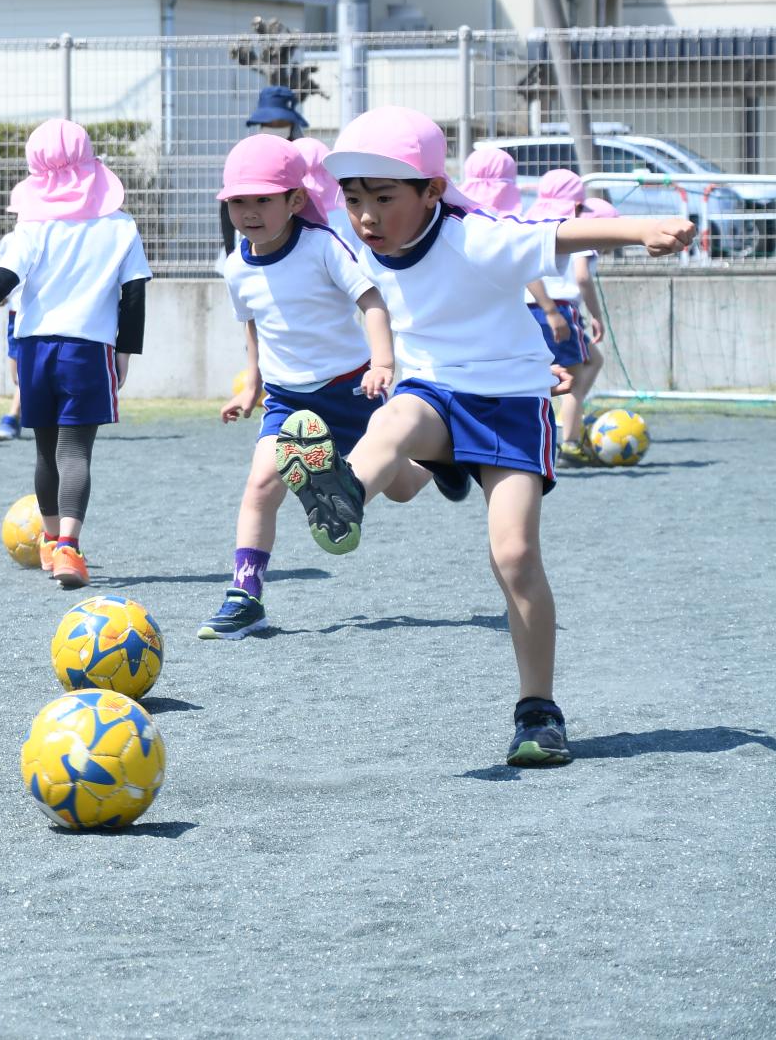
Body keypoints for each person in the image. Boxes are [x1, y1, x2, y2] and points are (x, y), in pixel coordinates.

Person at [274, 106, 693, 767]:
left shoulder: (479, 238)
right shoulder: (354, 237)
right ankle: (343, 494)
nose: (366, 216)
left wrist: (648, 228)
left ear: (433, 191)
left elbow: (565, 231)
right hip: (435, 392)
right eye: (354, 199)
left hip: (510, 407)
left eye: (384, 198)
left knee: (515, 555)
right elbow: (306, 192)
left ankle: (538, 712)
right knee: (396, 418)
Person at [0, 119, 150, 590]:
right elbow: (133, 294)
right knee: (75, 451)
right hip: (88, 352)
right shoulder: (120, 227)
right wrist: (126, 351)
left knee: (46, 451)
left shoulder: (31, 228)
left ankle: (49, 541)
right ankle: (69, 545)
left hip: (34, 350)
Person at [207, 134, 412, 640]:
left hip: (350, 389)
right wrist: (250, 384)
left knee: (403, 487)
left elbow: (372, 299)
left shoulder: (322, 246)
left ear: (295, 200)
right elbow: (254, 325)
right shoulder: (236, 265)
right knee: (260, 486)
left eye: (263, 200)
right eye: (238, 201)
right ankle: (245, 597)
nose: (250, 212)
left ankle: (440, 461)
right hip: (287, 398)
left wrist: (382, 362)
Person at [523, 169, 607, 463]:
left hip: (528, 309)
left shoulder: (531, 225)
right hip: (557, 310)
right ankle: (570, 442)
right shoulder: (575, 229)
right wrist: (594, 315)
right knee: (572, 379)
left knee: (592, 360)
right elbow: (582, 277)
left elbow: (525, 271)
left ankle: (571, 417)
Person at [0, 232, 25, 442]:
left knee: (24, 374)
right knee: (17, 377)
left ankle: (12, 417)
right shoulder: (11, 239)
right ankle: (21, 415)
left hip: (40, 315)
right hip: (15, 314)